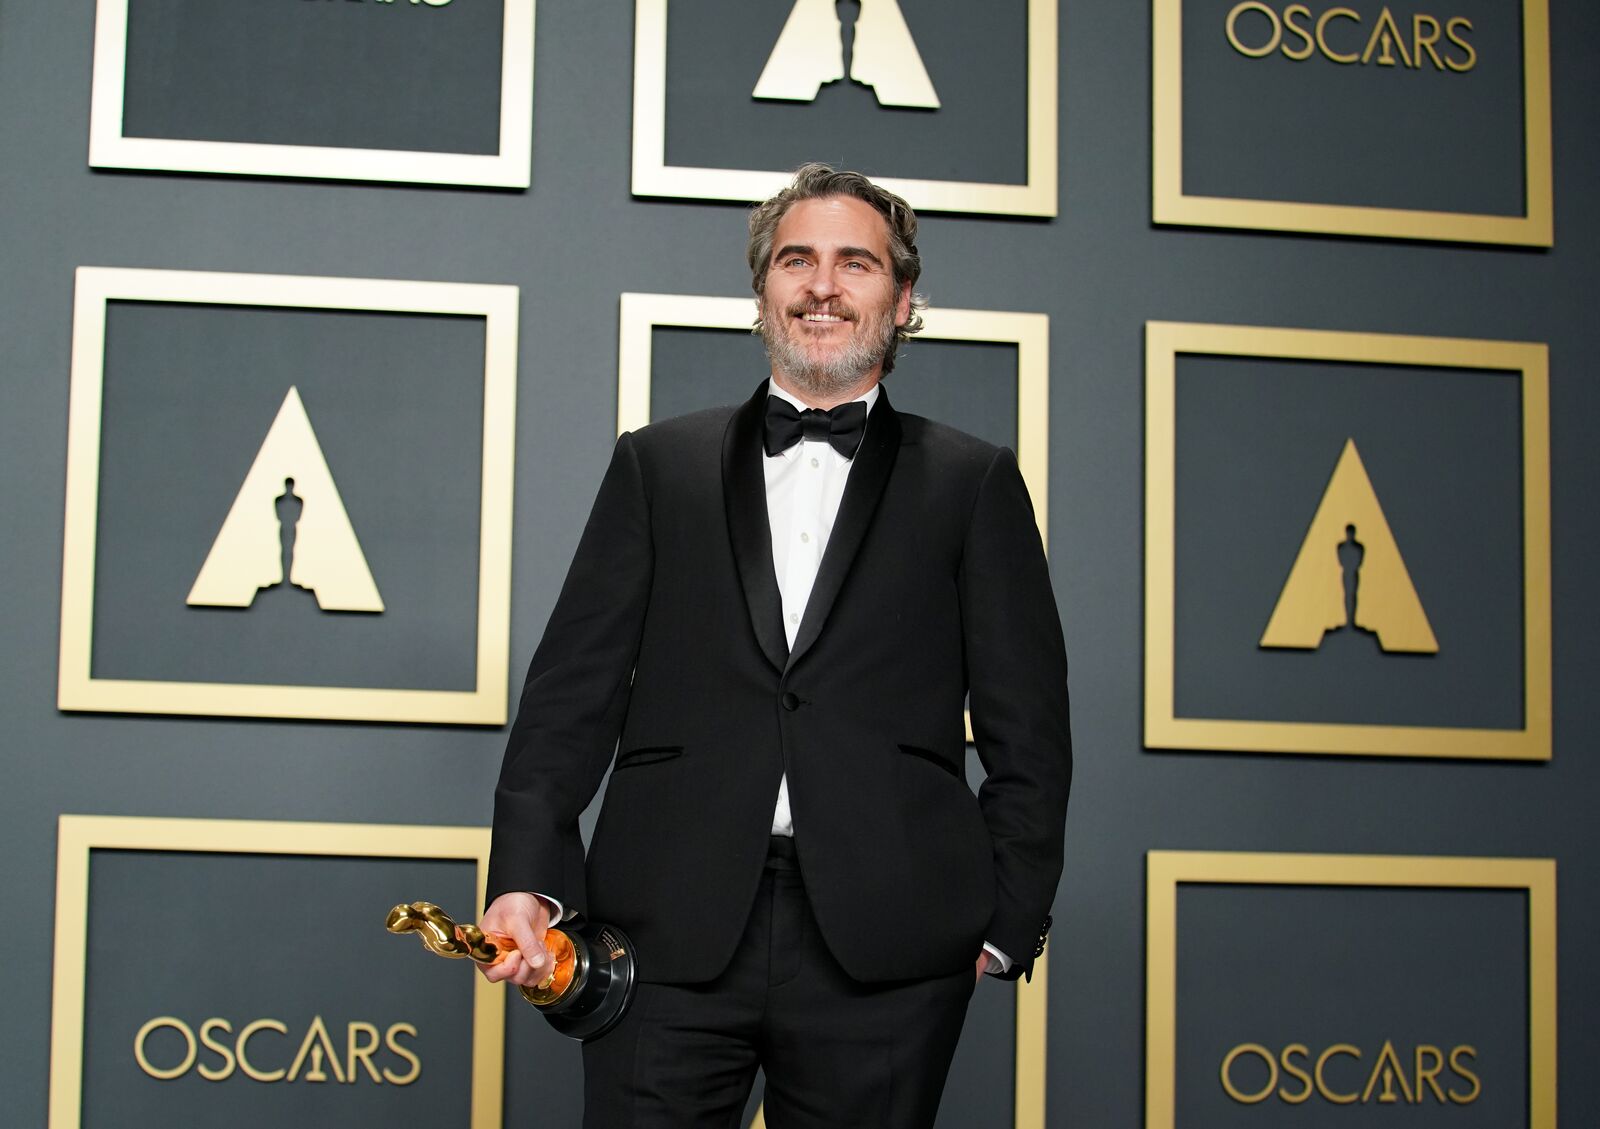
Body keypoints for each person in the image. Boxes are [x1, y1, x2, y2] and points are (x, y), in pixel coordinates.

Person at [480, 163, 1072, 1128]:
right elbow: (569, 696)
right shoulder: (654, 464)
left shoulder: (972, 482)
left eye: (857, 263)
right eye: (797, 260)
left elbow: (1029, 729)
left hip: (892, 940)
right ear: (763, 291)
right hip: (663, 925)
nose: (823, 285)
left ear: (903, 297)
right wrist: (527, 878)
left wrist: (1005, 920)